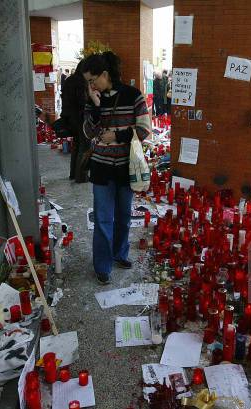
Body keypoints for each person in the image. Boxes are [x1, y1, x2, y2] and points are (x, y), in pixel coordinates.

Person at [82, 51, 152, 284]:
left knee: (123, 216)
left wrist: (119, 135)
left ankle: (119, 253)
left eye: (92, 80)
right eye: (88, 82)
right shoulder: (94, 99)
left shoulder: (133, 96)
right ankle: (102, 266)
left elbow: (144, 130)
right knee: (102, 218)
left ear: (105, 74)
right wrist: (94, 106)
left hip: (125, 167)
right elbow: (89, 133)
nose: (91, 85)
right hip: (101, 167)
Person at [61, 61, 89, 182]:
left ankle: (73, 173)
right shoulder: (81, 82)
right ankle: (81, 176)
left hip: (70, 118)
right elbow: (82, 101)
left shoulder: (69, 80)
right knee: (84, 146)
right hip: (80, 118)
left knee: (76, 145)